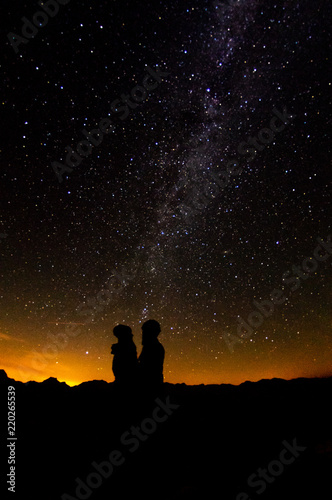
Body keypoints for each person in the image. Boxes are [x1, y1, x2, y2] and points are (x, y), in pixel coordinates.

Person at [138, 319, 165, 393]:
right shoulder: (150, 346)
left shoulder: (153, 347)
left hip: (149, 388)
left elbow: (146, 369)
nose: (142, 334)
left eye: (145, 332)